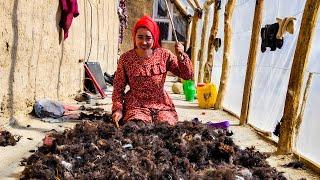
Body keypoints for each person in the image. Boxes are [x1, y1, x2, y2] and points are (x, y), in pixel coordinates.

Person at [112, 15, 193, 126]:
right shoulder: (126, 59)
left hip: (161, 105)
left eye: (148, 38)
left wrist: (181, 56)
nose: (144, 42)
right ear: (134, 37)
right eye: (140, 37)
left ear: (154, 37)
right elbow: (118, 88)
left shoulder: (164, 55)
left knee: (165, 126)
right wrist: (118, 109)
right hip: (136, 106)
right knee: (137, 127)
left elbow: (187, 75)